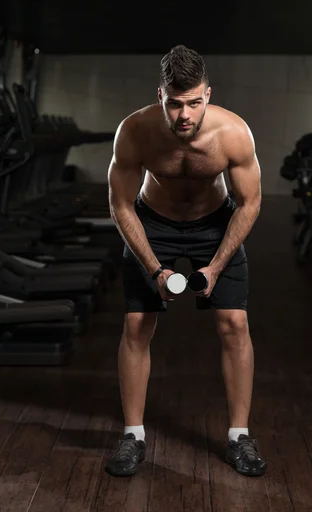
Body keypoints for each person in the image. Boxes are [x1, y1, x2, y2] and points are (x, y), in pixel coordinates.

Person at [106, 44, 266, 478]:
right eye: (174, 103)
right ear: (160, 95)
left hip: (214, 224)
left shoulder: (233, 134)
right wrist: (156, 268)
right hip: (151, 222)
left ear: (208, 95)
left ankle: (239, 436)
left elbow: (249, 203)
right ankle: (132, 435)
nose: (184, 115)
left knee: (234, 323)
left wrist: (214, 266)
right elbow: (121, 205)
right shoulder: (135, 132)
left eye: (194, 102)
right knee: (137, 325)